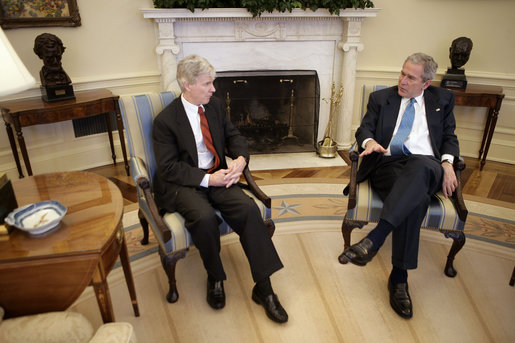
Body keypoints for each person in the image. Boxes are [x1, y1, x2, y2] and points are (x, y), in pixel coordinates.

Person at [152, 54, 288, 323]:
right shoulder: (165, 121)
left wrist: (239, 160)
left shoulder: (213, 107)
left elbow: (233, 136)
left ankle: (264, 289)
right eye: (207, 84)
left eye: (213, 83)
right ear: (186, 84)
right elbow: (169, 168)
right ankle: (215, 277)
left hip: (218, 174)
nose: (214, 89)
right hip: (185, 183)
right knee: (204, 218)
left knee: (248, 209)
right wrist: (207, 180)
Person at [340, 52, 459, 319]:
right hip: (388, 164)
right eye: (402, 73)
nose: (402, 81)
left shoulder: (443, 100)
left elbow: (450, 136)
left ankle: (376, 240)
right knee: (412, 199)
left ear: (426, 83)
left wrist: (448, 164)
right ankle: (398, 279)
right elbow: (364, 129)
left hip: (426, 165)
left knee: (421, 169)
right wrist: (370, 143)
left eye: (411, 77)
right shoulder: (382, 98)